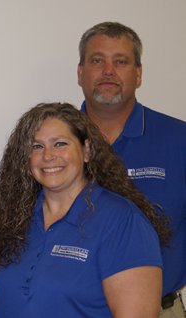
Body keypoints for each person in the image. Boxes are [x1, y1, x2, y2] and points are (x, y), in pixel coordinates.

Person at [0, 103, 169, 317]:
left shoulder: (123, 222)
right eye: (37, 146)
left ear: (87, 151)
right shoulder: (14, 219)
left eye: (60, 144)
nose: (48, 156)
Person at [77, 21, 186, 317]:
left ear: (138, 74)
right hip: (71, 308)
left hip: (159, 310)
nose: (108, 71)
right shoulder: (53, 145)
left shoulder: (179, 140)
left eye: (120, 61)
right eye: (97, 60)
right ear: (80, 73)